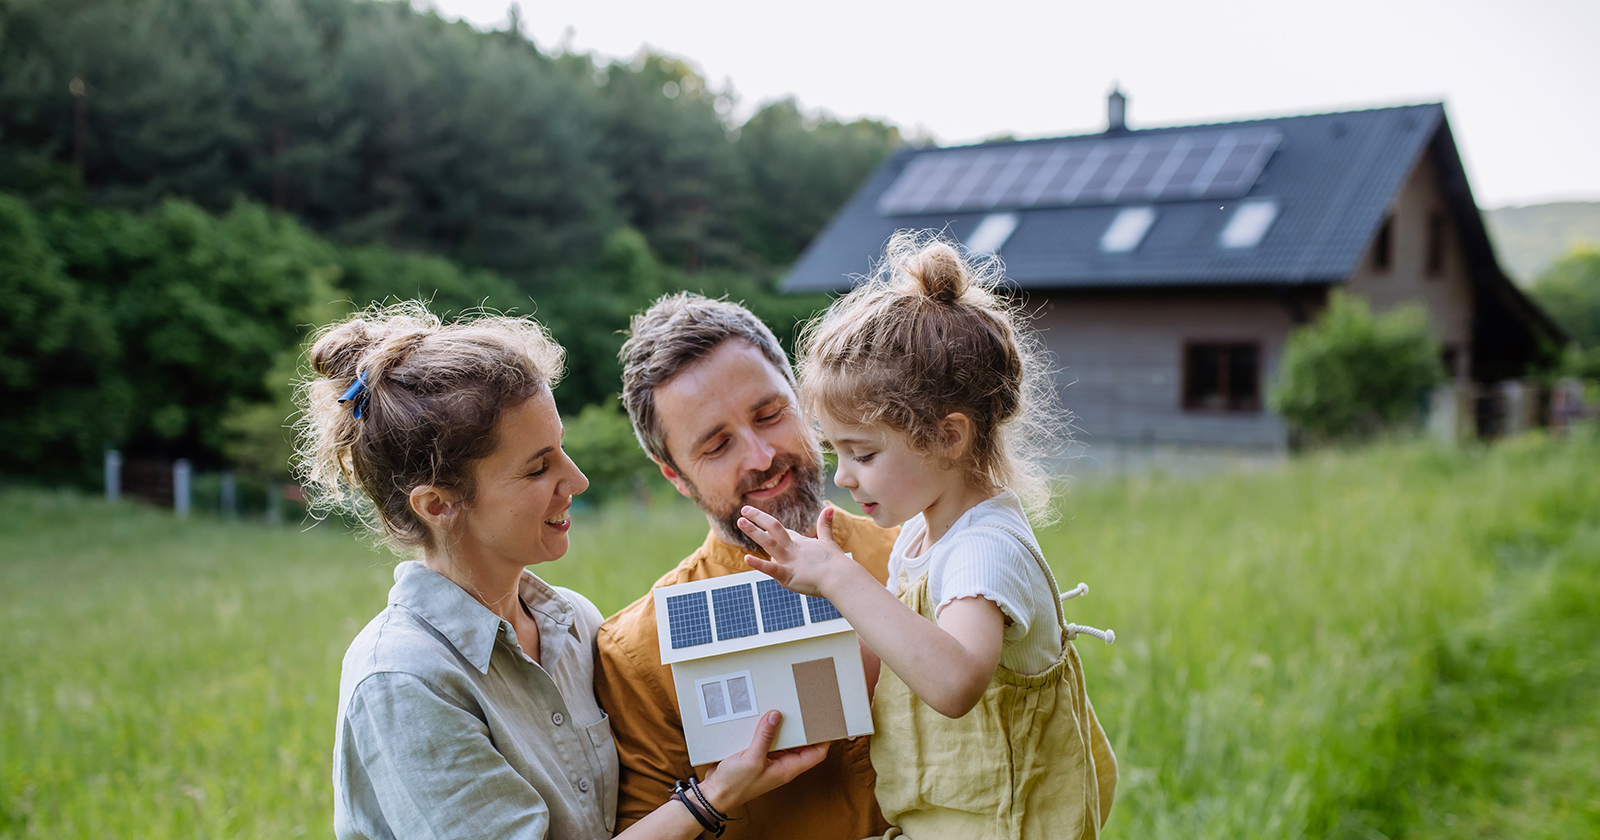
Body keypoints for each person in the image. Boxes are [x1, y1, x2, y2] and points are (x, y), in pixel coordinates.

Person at [298, 303, 825, 840]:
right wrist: (711, 799)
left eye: (561, 450)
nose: (577, 480)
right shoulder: (403, 681)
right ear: (437, 505)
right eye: (537, 467)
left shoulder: (574, 622)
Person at [738, 233, 1118, 840]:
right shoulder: (924, 533)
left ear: (948, 437)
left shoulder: (983, 551)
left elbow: (954, 682)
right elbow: (894, 662)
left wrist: (841, 578)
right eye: (836, 451)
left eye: (862, 453)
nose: (842, 475)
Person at [594, 293, 898, 840]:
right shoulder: (639, 651)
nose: (760, 456)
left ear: (804, 401)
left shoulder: (917, 550)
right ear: (676, 477)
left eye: (769, 414)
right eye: (716, 446)